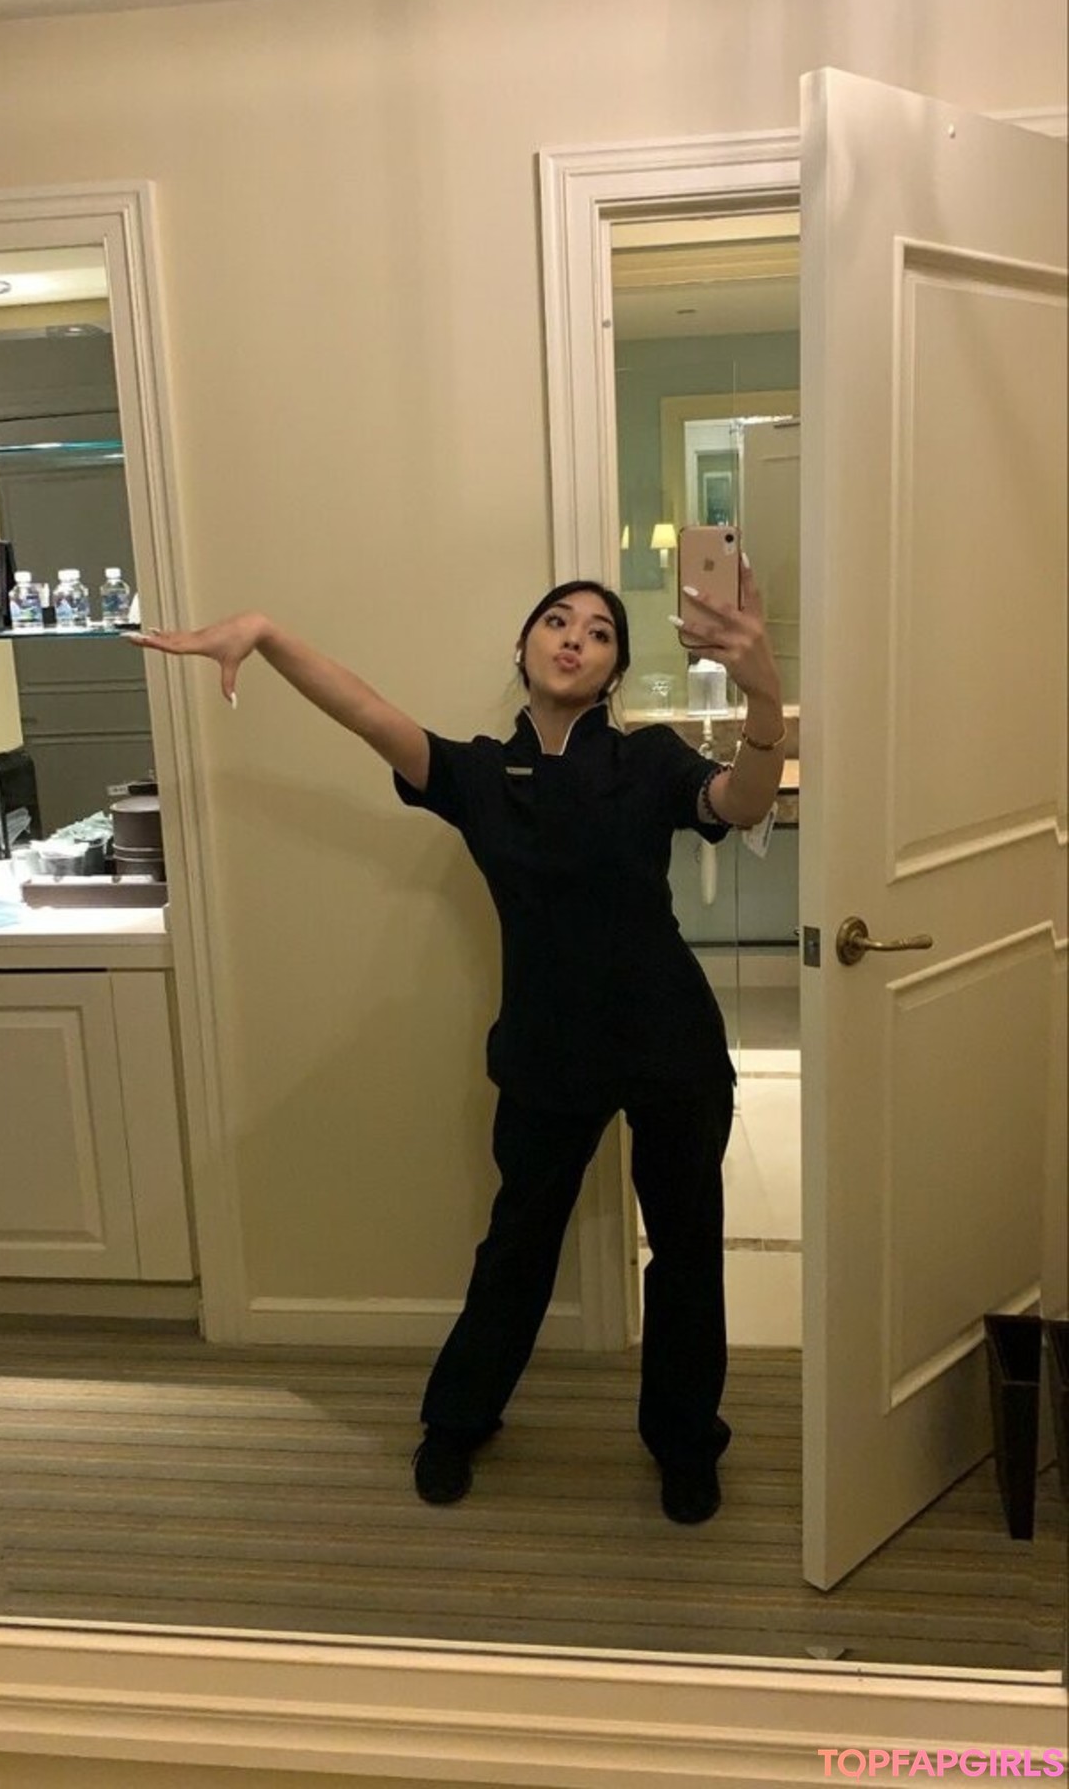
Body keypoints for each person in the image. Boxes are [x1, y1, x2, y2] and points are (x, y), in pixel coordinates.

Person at [131, 562, 785, 1524]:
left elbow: (743, 802)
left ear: (613, 672)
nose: (575, 636)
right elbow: (364, 710)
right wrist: (265, 634)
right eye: (556, 620)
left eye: (599, 631)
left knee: (686, 1250)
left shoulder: (648, 760)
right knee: (518, 1244)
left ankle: (686, 1441)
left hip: (669, 1042)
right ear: (523, 648)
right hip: (547, 1051)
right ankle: (458, 1420)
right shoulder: (479, 775)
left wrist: (764, 695)